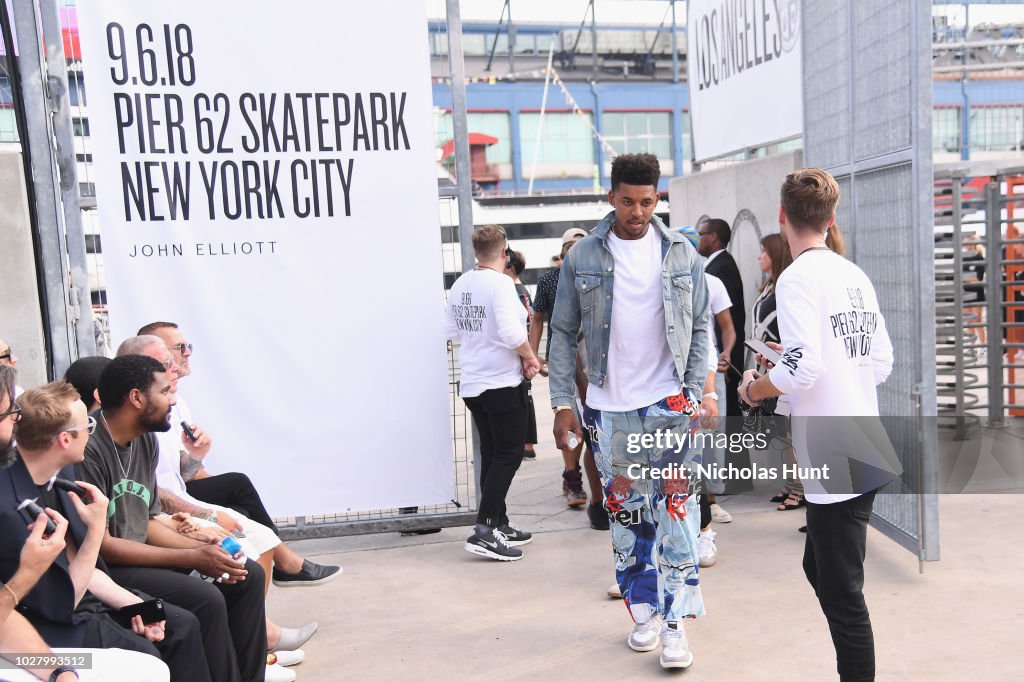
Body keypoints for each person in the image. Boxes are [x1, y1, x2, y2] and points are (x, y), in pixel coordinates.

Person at [549, 153, 710, 669]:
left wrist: (692, 389)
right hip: (608, 408)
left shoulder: (682, 252)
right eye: (627, 201)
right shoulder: (584, 257)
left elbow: (701, 325)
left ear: (657, 197)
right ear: (611, 196)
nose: (637, 212)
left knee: (677, 515)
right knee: (627, 518)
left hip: (668, 403)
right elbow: (562, 332)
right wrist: (560, 403)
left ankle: (675, 624)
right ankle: (642, 610)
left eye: (646, 201)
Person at [741, 167, 896, 682]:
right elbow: (880, 362)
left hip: (836, 455)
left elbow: (804, 370)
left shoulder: (797, 278)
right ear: (830, 219)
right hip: (862, 443)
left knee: (843, 597)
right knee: (821, 570)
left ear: (782, 216)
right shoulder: (852, 275)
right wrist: (805, 365)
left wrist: (756, 387)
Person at [76, 355, 272, 682]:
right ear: (137, 397)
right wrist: (192, 556)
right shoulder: (90, 449)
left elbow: (148, 521)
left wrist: (205, 546)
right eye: (165, 391)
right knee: (206, 599)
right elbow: (104, 547)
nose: (173, 399)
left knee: (245, 574)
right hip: (109, 569)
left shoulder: (144, 439)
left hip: (139, 555)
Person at [2, 380, 210, 681]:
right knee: (146, 660)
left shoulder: (62, 475)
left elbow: (81, 570)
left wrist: (135, 605)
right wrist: (97, 530)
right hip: (42, 632)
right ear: (64, 440)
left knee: (178, 623)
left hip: (78, 600)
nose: (92, 430)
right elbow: (61, 603)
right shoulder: (13, 509)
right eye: (87, 423)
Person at [135, 323, 341, 589]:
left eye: (187, 347)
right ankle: (281, 573)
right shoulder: (140, 421)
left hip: (176, 498)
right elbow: (154, 494)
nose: (184, 357)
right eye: (176, 351)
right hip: (163, 509)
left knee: (248, 513)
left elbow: (179, 475)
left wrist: (196, 455)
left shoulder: (176, 403)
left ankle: (265, 614)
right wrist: (209, 515)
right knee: (242, 514)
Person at [444, 224, 541, 561]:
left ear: (475, 252)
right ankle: (485, 529)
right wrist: (530, 358)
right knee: (508, 454)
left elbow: (451, 328)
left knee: (492, 451)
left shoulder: (460, 285)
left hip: (473, 382)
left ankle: (497, 521)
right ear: (505, 252)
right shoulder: (501, 284)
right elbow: (511, 331)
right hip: (501, 383)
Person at [531, 228, 591, 506]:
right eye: (570, 246)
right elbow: (538, 318)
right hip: (562, 358)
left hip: (594, 358)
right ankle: (573, 479)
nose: (574, 250)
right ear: (563, 250)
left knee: (593, 420)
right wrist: (533, 355)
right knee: (568, 417)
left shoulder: (597, 277)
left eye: (580, 245)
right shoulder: (549, 280)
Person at [749, 234, 804, 512]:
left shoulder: (786, 286)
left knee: (792, 434)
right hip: (768, 362)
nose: (759, 257)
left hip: (785, 365)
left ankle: (799, 489)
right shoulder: (769, 286)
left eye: (763, 251)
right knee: (781, 433)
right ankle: (790, 485)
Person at [505, 250, 539, 461]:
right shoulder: (519, 288)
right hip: (522, 351)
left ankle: (527, 445)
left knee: (524, 398)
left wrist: (527, 354)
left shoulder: (515, 290)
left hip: (520, 352)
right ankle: (526, 445)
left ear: (510, 266)